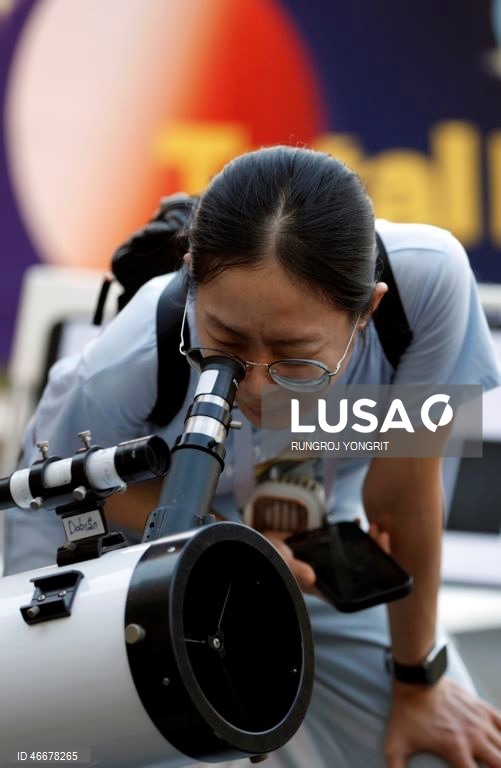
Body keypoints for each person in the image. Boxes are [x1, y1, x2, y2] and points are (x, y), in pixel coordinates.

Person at [4, 145, 501, 767]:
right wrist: (232, 544)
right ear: (193, 277)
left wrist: (417, 681)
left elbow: (399, 502)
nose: (258, 390)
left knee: (446, 752)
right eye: (227, 341)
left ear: (367, 311)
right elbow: (73, 504)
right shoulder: (123, 365)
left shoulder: (424, 293)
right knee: (83, 748)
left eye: (297, 356)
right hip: (114, 545)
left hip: (313, 542)